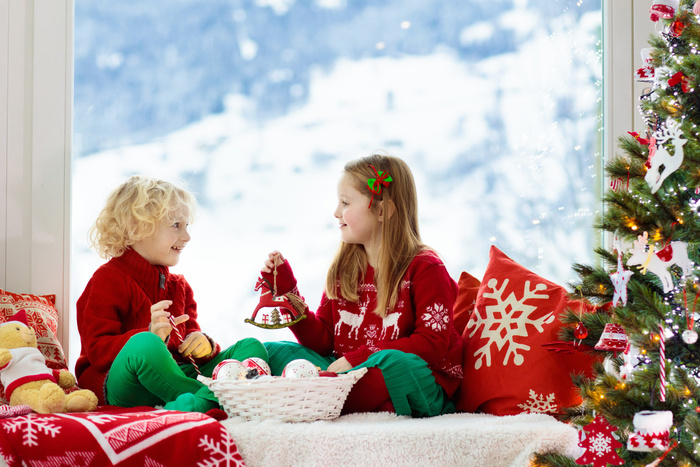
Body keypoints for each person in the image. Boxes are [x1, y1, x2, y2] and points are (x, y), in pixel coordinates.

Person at [261, 154, 463, 417]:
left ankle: (313, 396)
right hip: (348, 374)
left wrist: (358, 359)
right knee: (273, 352)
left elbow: (431, 344)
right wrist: (289, 297)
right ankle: (325, 393)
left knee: (394, 363)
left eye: (345, 203)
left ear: (382, 211)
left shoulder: (425, 268)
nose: (336, 213)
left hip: (415, 382)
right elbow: (324, 341)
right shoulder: (344, 268)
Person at [75, 175, 268, 413]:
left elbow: (191, 348)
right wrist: (150, 334)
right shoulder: (107, 280)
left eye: (186, 226)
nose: (186, 236)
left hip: (175, 377)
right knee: (144, 344)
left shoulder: (180, 287)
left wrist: (203, 346)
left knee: (250, 346)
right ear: (137, 228)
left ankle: (199, 402)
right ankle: (217, 399)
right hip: (124, 384)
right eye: (176, 225)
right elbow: (97, 350)